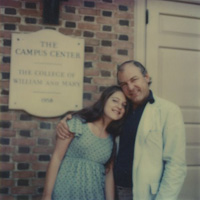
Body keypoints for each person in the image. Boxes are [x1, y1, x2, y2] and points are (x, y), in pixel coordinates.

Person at [56, 60, 187, 200]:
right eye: (124, 84)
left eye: (134, 79)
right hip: (110, 190)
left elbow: (176, 165)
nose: (130, 87)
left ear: (146, 77)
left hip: (144, 194)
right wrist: (68, 119)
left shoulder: (168, 111)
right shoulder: (119, 109)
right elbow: (94, 118)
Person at [42, 85, 129, 200]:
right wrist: (46, 195)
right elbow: (56, 158)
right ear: (104, 100)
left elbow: (109, 173)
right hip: (65, 191)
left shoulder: (112, 139)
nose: (119, 107)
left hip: (94, 195)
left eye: (123, 105)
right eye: (115, 101)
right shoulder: (77, 123)